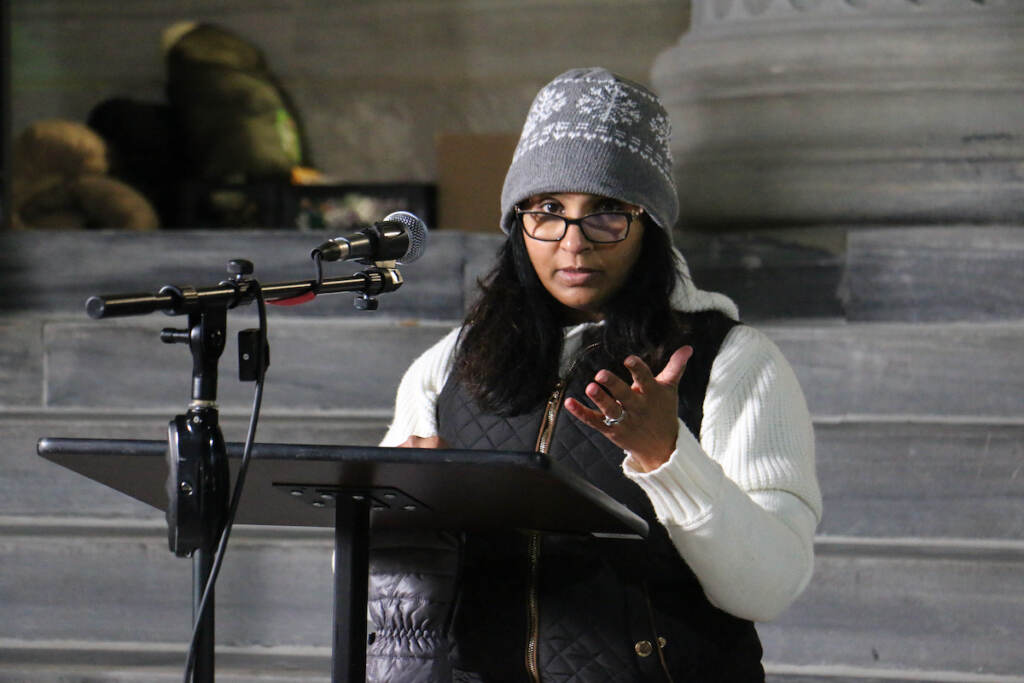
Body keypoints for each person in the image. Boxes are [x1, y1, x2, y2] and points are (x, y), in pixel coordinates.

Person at [370, 67, 822, 682]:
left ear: (651, 224)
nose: (574, 242)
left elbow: (767, 589)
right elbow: (400, 581)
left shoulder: (734, 363)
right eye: (549, 209)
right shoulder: (451, 362)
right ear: (518, 221)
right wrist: (403, 499)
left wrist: (669, 457)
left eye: (607, 211)